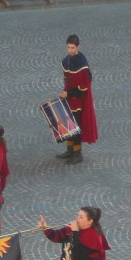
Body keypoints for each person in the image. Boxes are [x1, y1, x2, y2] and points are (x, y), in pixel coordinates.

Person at [58, 34, 97, 164]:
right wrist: (65, 91)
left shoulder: (82, 63)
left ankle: (77, 153)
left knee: (76, 126)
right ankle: (69, 149)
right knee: (68, 124)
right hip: (69, 98)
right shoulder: (67, 60)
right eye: (68, 47)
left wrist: (68, 94)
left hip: (78, 100)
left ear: (78, 47)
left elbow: (84, 86)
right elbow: (67, 79)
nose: (70, 50)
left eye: (72, 48)